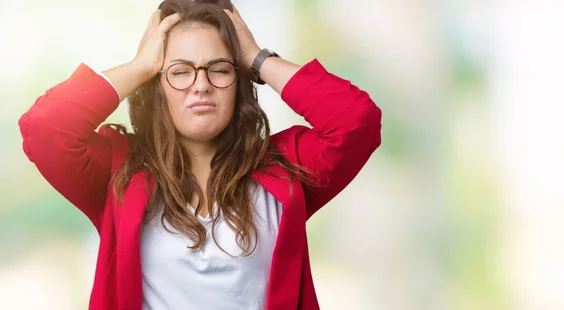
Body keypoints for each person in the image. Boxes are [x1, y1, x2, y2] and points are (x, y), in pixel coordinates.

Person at [18, 0, 382, 309]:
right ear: (157, 86)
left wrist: (257, 58)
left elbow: (356, 121)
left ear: (239, 82)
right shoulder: (118, 174)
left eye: (220, 69)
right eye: (180, 72)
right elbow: (47, 128)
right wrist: (140, 65)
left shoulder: (286, 171)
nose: (201, 85)